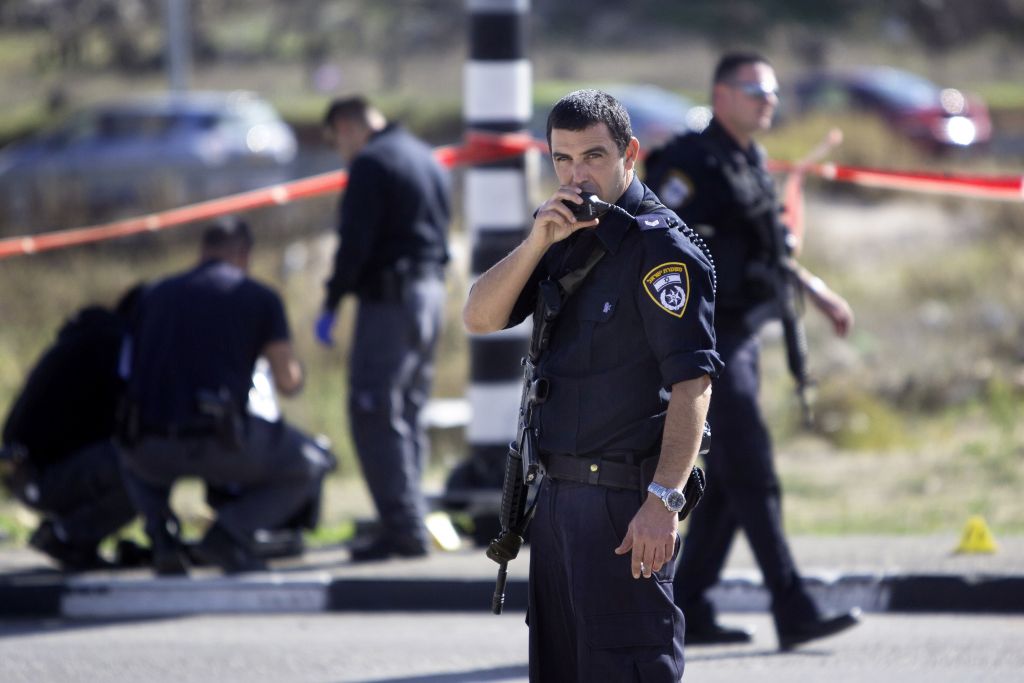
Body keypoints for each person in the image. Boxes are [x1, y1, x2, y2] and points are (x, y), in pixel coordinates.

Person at [465, 89, 722, 681]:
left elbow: (693, 385)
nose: (578, 176)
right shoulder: (561, 235)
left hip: (623, 509)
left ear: (629, 153)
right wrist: (536, 242)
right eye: (563, 159)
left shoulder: (662, 249)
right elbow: (478, 317)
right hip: (554, 500)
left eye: (594, 157)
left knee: (627, 667)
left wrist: (664, 500)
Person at [645, 51, 860, 650]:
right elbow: (657, 243)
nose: (769, 101)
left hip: (743, 334)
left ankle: (688, 603)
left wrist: (815, 291)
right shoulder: (689, 162)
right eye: (755, 91)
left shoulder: (749, 158)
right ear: (721, 96)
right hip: (706, 344)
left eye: (772, 92)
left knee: (733, 476)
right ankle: (793, 606)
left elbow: (768, 244)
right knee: (753, 469)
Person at [119, 217, 334, 575]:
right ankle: (226, 533)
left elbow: (124, 373)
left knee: (125, 451)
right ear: (243, 254)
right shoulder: (258, 297)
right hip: (224, 445)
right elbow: (287, 380)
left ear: (203, 250)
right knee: (310, 463)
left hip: (149, 447)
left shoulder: (152, 295)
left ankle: (161, 536)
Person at [314, 96, 450, 562]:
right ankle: (410, 518)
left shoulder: (372, 162)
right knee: (407, 412)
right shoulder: (424, 155)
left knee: (374, 411)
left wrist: (332, 300)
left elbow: (354, 242)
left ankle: (403, 528)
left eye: (338, 141)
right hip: (430, 296)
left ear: (347, 126)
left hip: (391, 302)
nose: (342, 152)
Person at [1, 291, 141, 570]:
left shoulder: (90, 338)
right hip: (38, 477)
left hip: (28, 472)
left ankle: (73, 539)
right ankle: (65, 536)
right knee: (140, 468)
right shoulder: (110, 347)